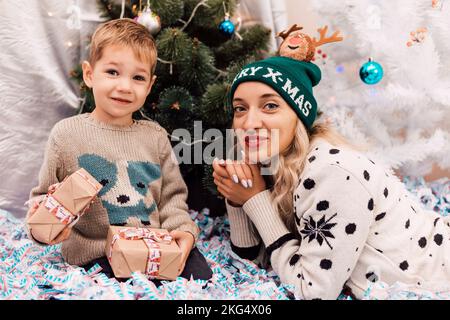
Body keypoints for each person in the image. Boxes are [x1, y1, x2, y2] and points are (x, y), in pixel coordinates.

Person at [212, 56, 450, 299]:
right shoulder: (275, 163)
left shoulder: (333, 174)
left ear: (298, 115)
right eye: (240, 108)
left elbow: (314, 293)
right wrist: (239, 198)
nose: (249, 122)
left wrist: (256, 198)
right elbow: (253, 260)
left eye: (270, 106)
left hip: (437, 271)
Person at [25, 18, 212, 281]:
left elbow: (171, 198)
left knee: (200, 276)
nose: (124, 86)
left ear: (149, 86)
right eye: (112, 72)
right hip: (96, 253)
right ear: (89, 74)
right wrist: (44, 229)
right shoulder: (65, 135)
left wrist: (182, 231)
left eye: (137, 77)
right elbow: (42, 199)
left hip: (151, 247)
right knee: (109, 287)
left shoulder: (155, 136)